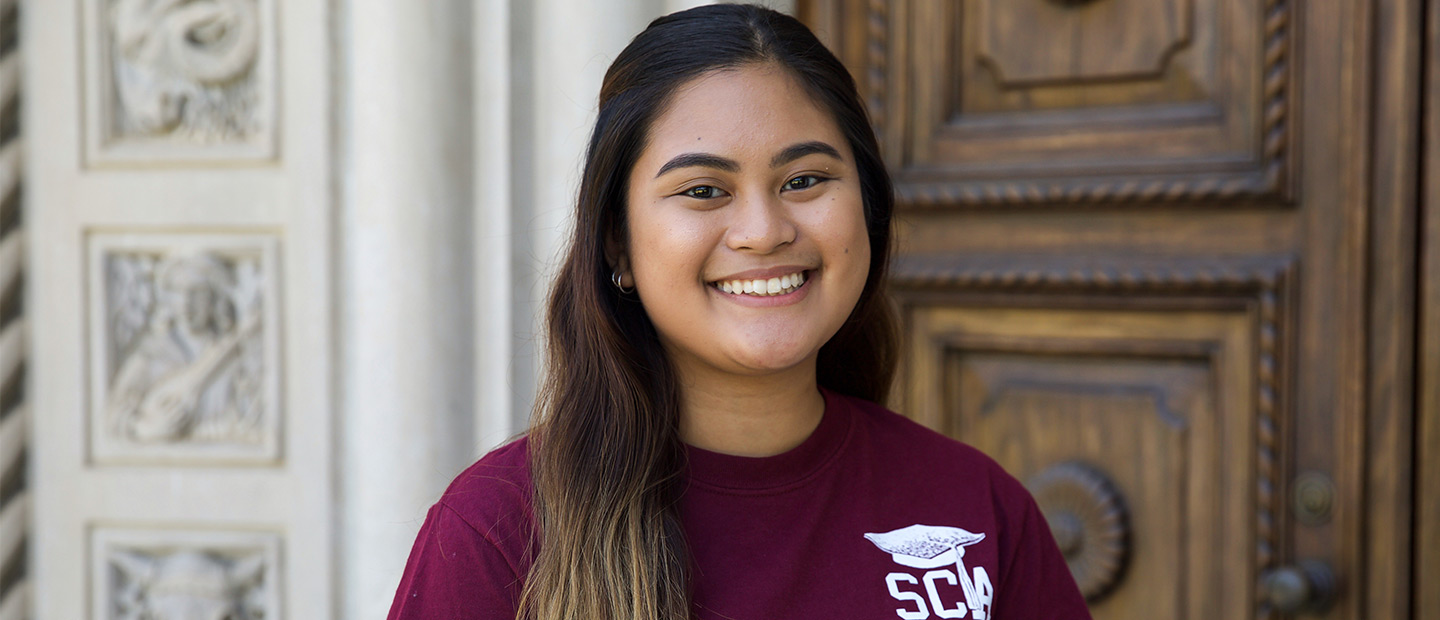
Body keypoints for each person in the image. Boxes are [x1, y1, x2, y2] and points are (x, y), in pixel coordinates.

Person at [388, 5, 1091, 619]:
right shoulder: (499, 533)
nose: (763, 230)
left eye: (805, 180)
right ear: (618, 243)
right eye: (703, 190)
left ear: (869, 212)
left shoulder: (974, 508)